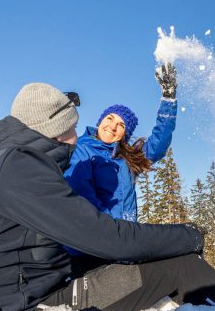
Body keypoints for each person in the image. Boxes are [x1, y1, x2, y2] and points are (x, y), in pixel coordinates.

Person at [0, 82, 215, 311]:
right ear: (54, 131)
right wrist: (189, 235)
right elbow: (103, 236)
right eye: (71, 128)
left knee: (149, 258)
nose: (75, 136)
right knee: (180, 267)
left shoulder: (16, 161)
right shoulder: (21, 168)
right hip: (19, 300)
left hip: (28, 280)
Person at [64, 63, 178, 222]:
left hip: (125, 236)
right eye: (109, 118)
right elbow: (81, 194)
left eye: (121, 125)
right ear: (100, 122)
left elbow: (159, 144)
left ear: (125, 134)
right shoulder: (82, 149)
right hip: (95, 234)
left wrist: (169, 99)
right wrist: (109, 229)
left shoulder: (127, 159)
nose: (113, 126)